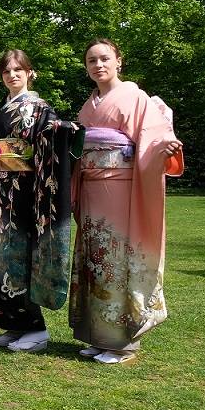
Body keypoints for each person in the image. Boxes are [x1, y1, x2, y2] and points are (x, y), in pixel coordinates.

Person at [70, 38, 183, 364]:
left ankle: (123, 342)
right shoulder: (88, 106)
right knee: (95, 260)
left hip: (120, 190)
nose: (98, 65)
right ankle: (99, 336)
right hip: (92, 190)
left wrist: (165, 149)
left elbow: (153, 138)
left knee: (116, 261)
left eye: (105, 58)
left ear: (119, 61)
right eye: (92, 61)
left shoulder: (135, 98)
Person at [0, 50, 83, 353]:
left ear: (29, 73)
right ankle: (13, 323)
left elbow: (51, 141)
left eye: (18, 70)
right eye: (7, 71)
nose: (12, 75)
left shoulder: (39, 108)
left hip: (22, 193)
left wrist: (63, 131)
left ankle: (36, 328)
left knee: (17, 257)